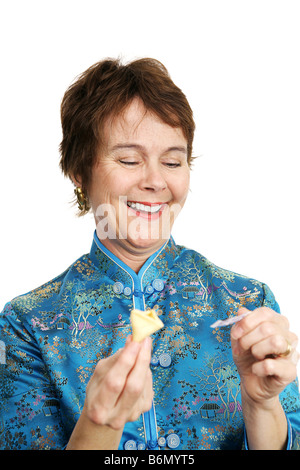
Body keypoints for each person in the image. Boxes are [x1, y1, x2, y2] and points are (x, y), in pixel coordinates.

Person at [0, 58, 299, 451]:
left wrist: (262, 405)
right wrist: (98, 425)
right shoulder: (26, 325)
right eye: (128, 160)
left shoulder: (248, 303)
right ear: (78, 171)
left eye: (173, 162)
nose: (156, 181)